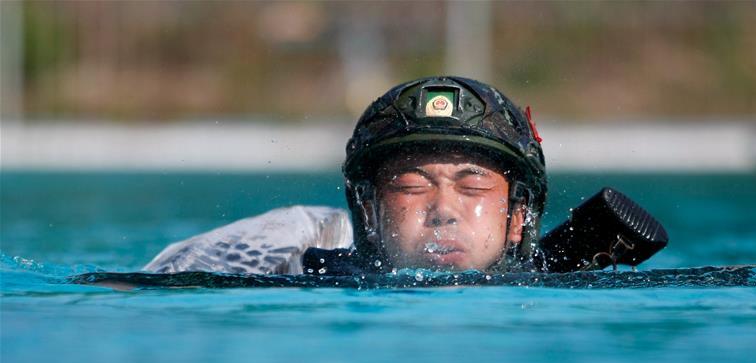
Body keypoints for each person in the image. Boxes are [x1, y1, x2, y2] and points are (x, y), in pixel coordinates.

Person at [144, 76, 547, 275]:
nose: (444, 211)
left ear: (517, 218)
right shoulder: (303, 267)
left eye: (472, 185)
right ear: (370, 213)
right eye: (411, 184)